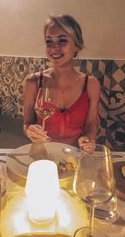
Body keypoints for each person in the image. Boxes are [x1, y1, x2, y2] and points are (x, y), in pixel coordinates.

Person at [23, 14, 100, 153]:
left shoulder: (91, 85)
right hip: (42, 155)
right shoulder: (32, 82)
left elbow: (90, 127)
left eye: (62, 41)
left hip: (76, 158)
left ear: (77, 46)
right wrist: (30, 131)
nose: (54, 48)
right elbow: (27, 123)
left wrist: (88, 140)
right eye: (49, 41)